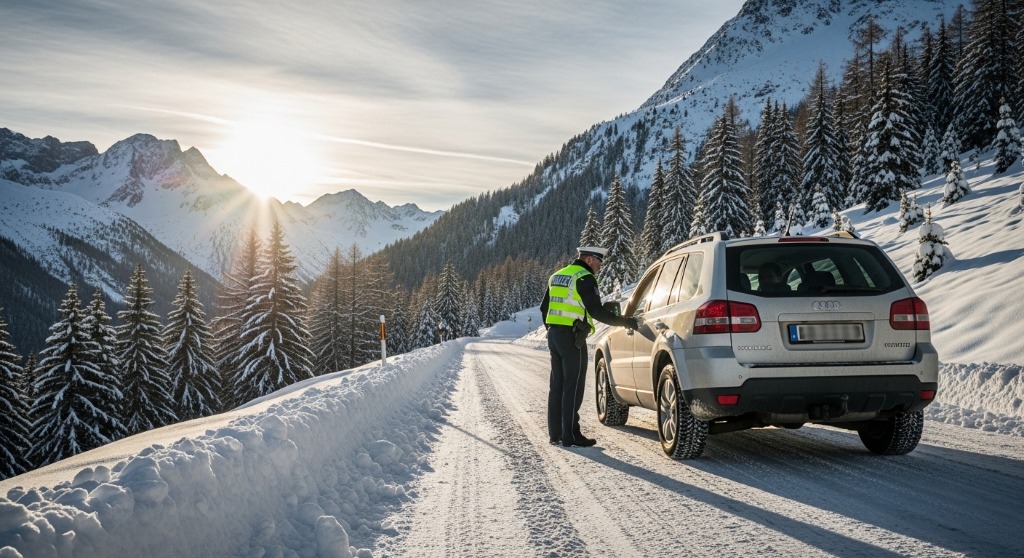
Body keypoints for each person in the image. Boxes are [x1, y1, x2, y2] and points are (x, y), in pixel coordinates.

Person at [540, 246, 639, 447]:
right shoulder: (584, 277)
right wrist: (625, 322)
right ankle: (571, 436)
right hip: (572, 338)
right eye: (599, 261)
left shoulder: (557, 276)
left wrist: (552, 328)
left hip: (554, 335)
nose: (600, 266)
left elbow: (544, 308)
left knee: (557, 385)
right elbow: (596, 311)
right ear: (589, 260)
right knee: (573, 385)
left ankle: (555, 434)